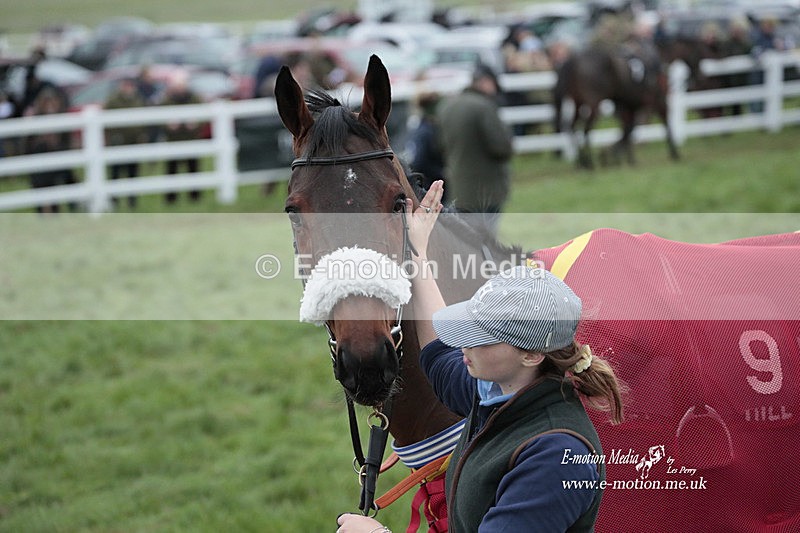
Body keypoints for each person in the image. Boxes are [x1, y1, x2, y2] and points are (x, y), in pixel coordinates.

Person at [337, 181, 625, 533]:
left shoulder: (557, 458)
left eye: (480, 337)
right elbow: (440, 356)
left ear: (532, 354)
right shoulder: (497, 391)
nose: (464, 346)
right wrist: (417, 254)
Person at [436, 64, 513, 237]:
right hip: (487, 188)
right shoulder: (484, 107)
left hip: (458, 187)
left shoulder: (447, 107)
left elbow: (440, 145)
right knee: (487, 240)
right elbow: (501, 147)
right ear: (485, 82)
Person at [160, 70, 204, 204]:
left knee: (193, 168)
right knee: (172, 169)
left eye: (182, 84)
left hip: (191, 138)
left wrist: (196, 123)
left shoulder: (194, 98)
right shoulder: (167, 99)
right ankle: (171, 198)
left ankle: (195, 197)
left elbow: (203, 115)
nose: (180, 88)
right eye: (177, 85)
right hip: (173, 139)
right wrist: (168, 125)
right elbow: (160, 117)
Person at [105, 77, 148, 209]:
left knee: (132, 172)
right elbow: (106, 119)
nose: (128, 88)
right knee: (115, 173)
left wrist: (141, 135)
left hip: (133, 141)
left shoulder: (137, 100)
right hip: (118, 142)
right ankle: (114, 200)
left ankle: (132, 201)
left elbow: (142, 119)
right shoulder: (113, 100)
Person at [404, 91, 445, 195]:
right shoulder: (425, 130)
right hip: (431, 185)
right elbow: (419, 161)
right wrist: (442, 173)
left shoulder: (423, 128)